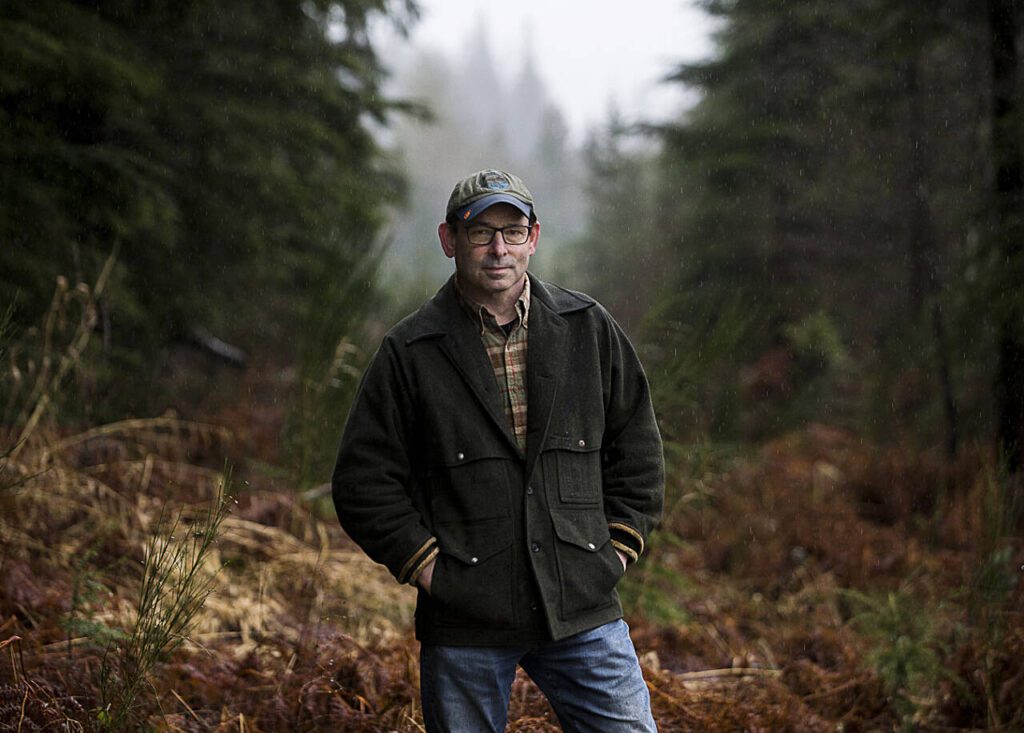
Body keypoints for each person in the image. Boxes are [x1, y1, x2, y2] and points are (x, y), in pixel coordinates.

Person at [332, 169, 665, 732]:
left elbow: (638, 453)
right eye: (480, 232)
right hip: (465, 620)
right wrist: (430, 570)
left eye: (512, 231)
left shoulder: (588, 329)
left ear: (534, 238)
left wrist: (611, 555)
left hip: (580, 608)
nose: (497, 249)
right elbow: (363, 481)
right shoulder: (410, 351)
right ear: (449, 241)